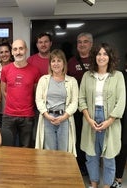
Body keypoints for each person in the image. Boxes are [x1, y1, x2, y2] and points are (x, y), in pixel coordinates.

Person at [79, 43, 126, 188]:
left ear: (110, 57)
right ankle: (94, 183)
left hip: (110, 118)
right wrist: (88, 118)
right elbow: (82, 99)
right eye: (99, 54)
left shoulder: (117, 76)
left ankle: (106, 186)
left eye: (105, 54)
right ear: (95, 57)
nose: (102, 57)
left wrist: (110, 121)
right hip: (91, 118)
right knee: (91, 155)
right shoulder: (87, 75)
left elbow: (121, 101)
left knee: (109, 156)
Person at [35, 49, 78, 156]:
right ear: (50, 64)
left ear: (64, 63)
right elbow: (39, 100)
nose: (56, 64)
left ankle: (62, 173)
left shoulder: (72, 81)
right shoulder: (43, 80)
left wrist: (64, 116)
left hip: (64, 119)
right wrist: (46, 115)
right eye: (53, 61)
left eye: (59, 60)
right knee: (49, 151)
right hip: (47, 118)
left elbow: (74, 102)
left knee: (64, 152)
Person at [1, 39, 40, 147]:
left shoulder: (35, 70)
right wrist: (13, 103)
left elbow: (35, 93)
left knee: (26, 149)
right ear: (12, 52)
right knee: (7, 148)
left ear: (26, 50)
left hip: (27, 116)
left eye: (21, 48)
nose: (18, 52)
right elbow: (4, 90)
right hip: (8, 116)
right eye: (15, 49)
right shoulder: (6, 69)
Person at [67, 32, 93, 176]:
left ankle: (91, 166)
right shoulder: (71, 61)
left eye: (85, 41)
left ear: (91, 44)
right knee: (77, 135)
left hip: (93, 106)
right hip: (76, 106)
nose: (82, 44)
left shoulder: (97, 60)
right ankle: (80, 165)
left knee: (91, 136)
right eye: (79, 42)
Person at [111, 54, 127, 188]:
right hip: (120, 114)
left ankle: (118, 177)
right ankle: (117, 177)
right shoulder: (119, 75)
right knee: (121, 144)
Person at [0, 42, 14, 126]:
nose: (4, 54)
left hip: (14, 109)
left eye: (6, 51)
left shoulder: (16, 68)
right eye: (1, 52)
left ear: (11, 53)